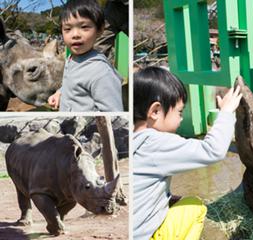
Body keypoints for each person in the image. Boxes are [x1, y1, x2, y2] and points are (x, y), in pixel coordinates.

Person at [133, 66, 242, 240]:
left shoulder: (133, 139)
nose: (181, 118)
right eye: (179, 112)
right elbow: (212, 150)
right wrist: (226, 113)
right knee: (194, 207)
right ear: (155, 111)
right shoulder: (155, 142)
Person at [48, 0, 123, 112]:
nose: (75, 35)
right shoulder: (72, 58)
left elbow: (113, 113)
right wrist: (60, 93)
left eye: (84, 27)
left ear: (100, 30)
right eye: (68, 29)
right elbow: (72, 84)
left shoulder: (101, 72)